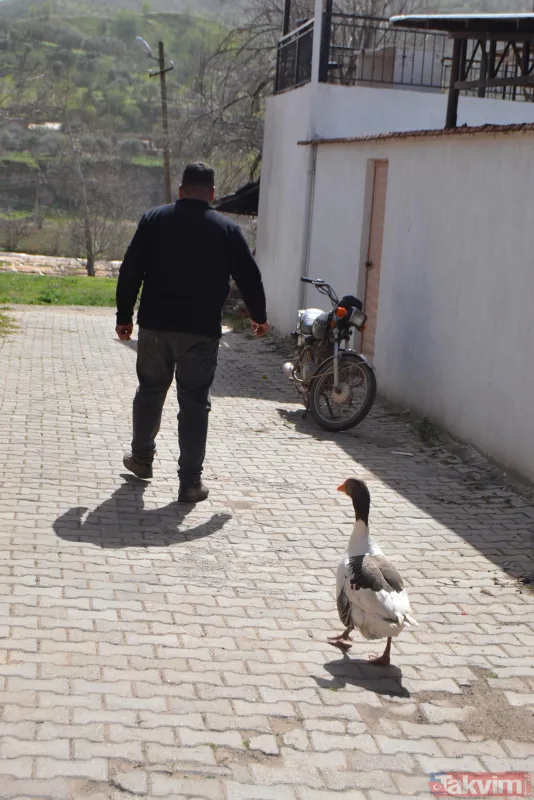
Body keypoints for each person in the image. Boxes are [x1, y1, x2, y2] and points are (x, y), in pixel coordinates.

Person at [116, 163, 269, 503]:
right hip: (201, 332)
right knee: (195, 404)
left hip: (155, 326)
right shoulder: (227, 230)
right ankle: (189, 483)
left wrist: (124, 315)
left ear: (181, 189)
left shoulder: (154, 220)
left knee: (150, 391)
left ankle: (141, 458)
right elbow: (249, 276)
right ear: (212, 194)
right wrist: (259, 317)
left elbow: (130, 270)